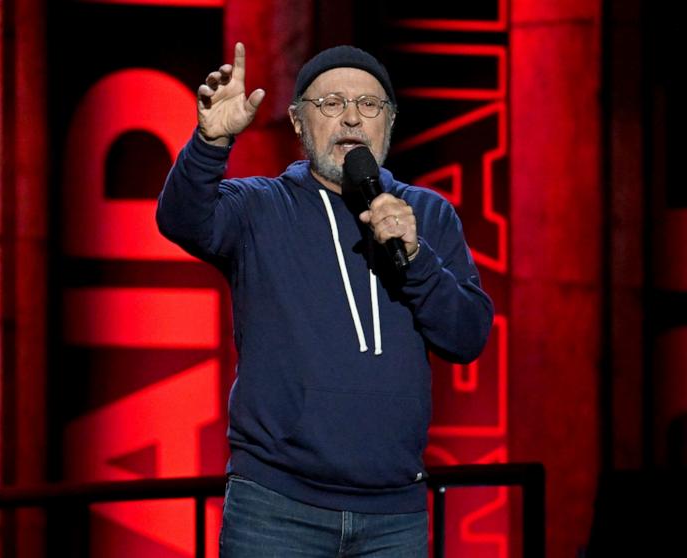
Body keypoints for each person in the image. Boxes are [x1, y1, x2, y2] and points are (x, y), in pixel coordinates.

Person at [156, 42, 493, 557]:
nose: (352, 117)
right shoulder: (259, 208)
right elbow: (181, 219)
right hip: (274, 509)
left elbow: (467, 336)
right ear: (297, 121)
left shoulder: (428, 214)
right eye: (331, 104)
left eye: (370, 105)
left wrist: (417, 257)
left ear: (391, 121)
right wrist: (210, 142)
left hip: (394, 517)